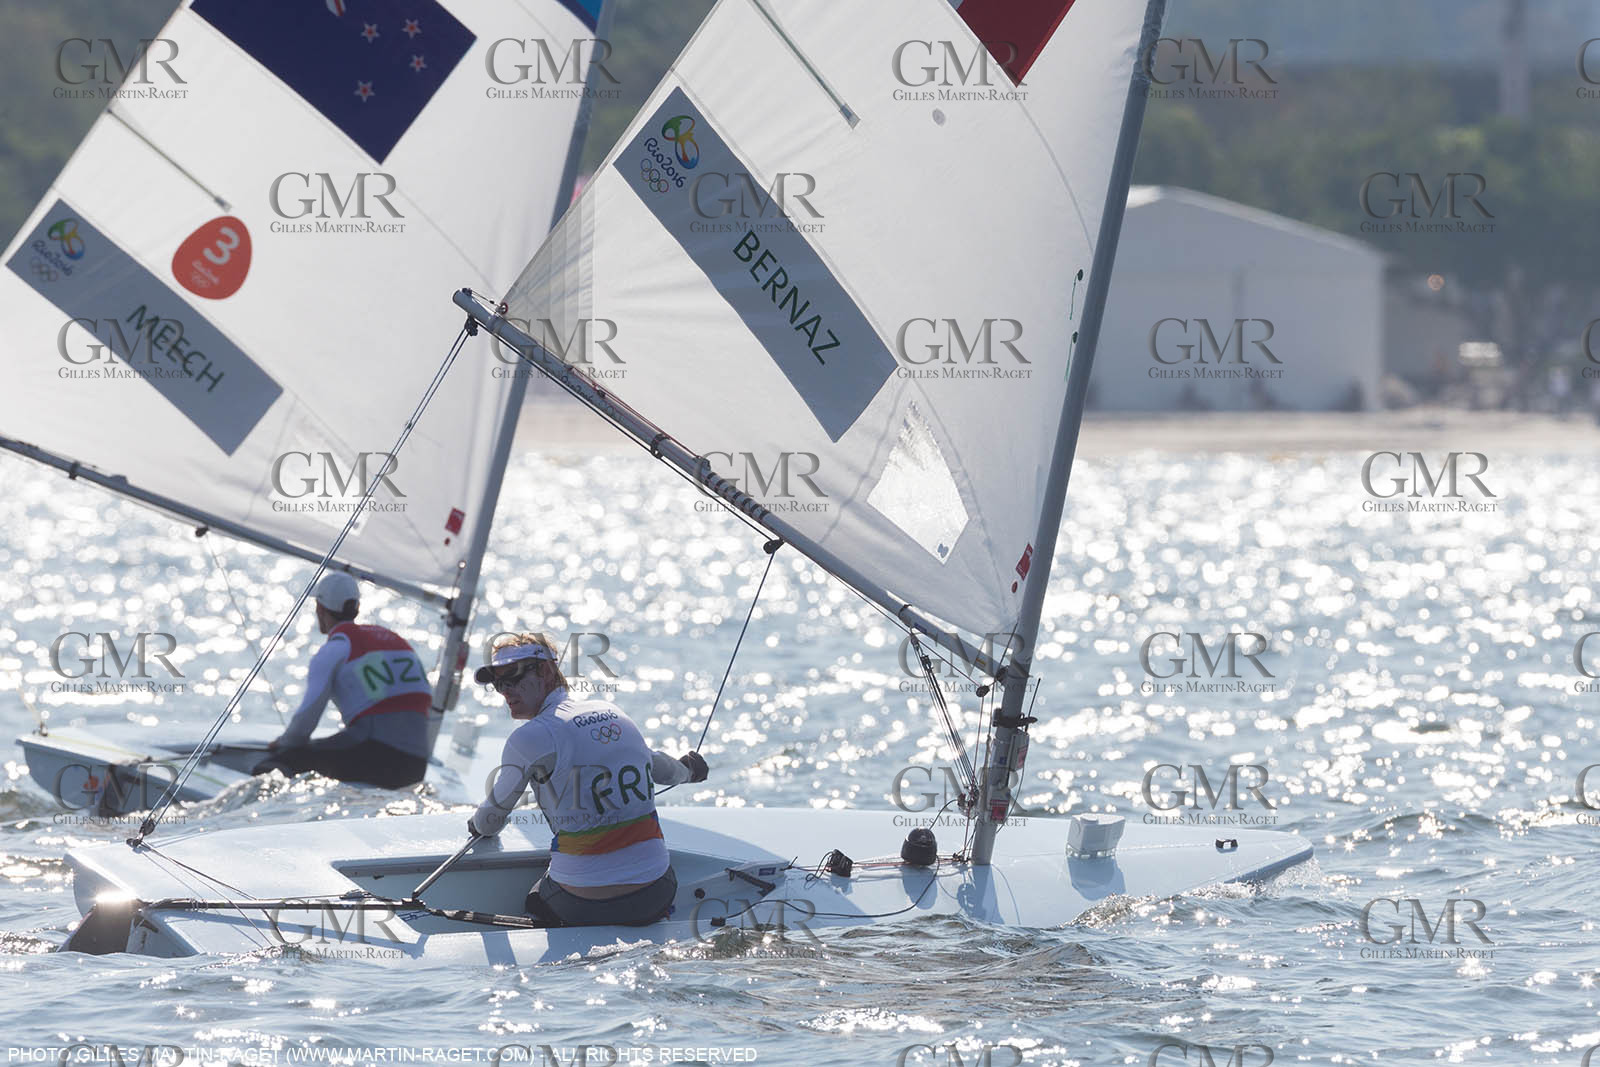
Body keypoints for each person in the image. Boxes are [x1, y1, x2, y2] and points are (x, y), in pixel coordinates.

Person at [468, 631, 708, 927]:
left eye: (513, 678)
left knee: (534, 899)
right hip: (657, 894)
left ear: (544, 671)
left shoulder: (527, 739)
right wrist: (690, 772)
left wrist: (477, 824)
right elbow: (660, 767)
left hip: (581, 905)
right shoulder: (613, 712)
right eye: (498, 683)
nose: (505, 690)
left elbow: (490, 821)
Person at [252, 572, 432, 788]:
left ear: (319, 608)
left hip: (377, 758)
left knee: (281, 763)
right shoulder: (396, 641)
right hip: (416, 767)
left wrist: (284, 746)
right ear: (356, 608)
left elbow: (305, 721)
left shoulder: (335, 649)